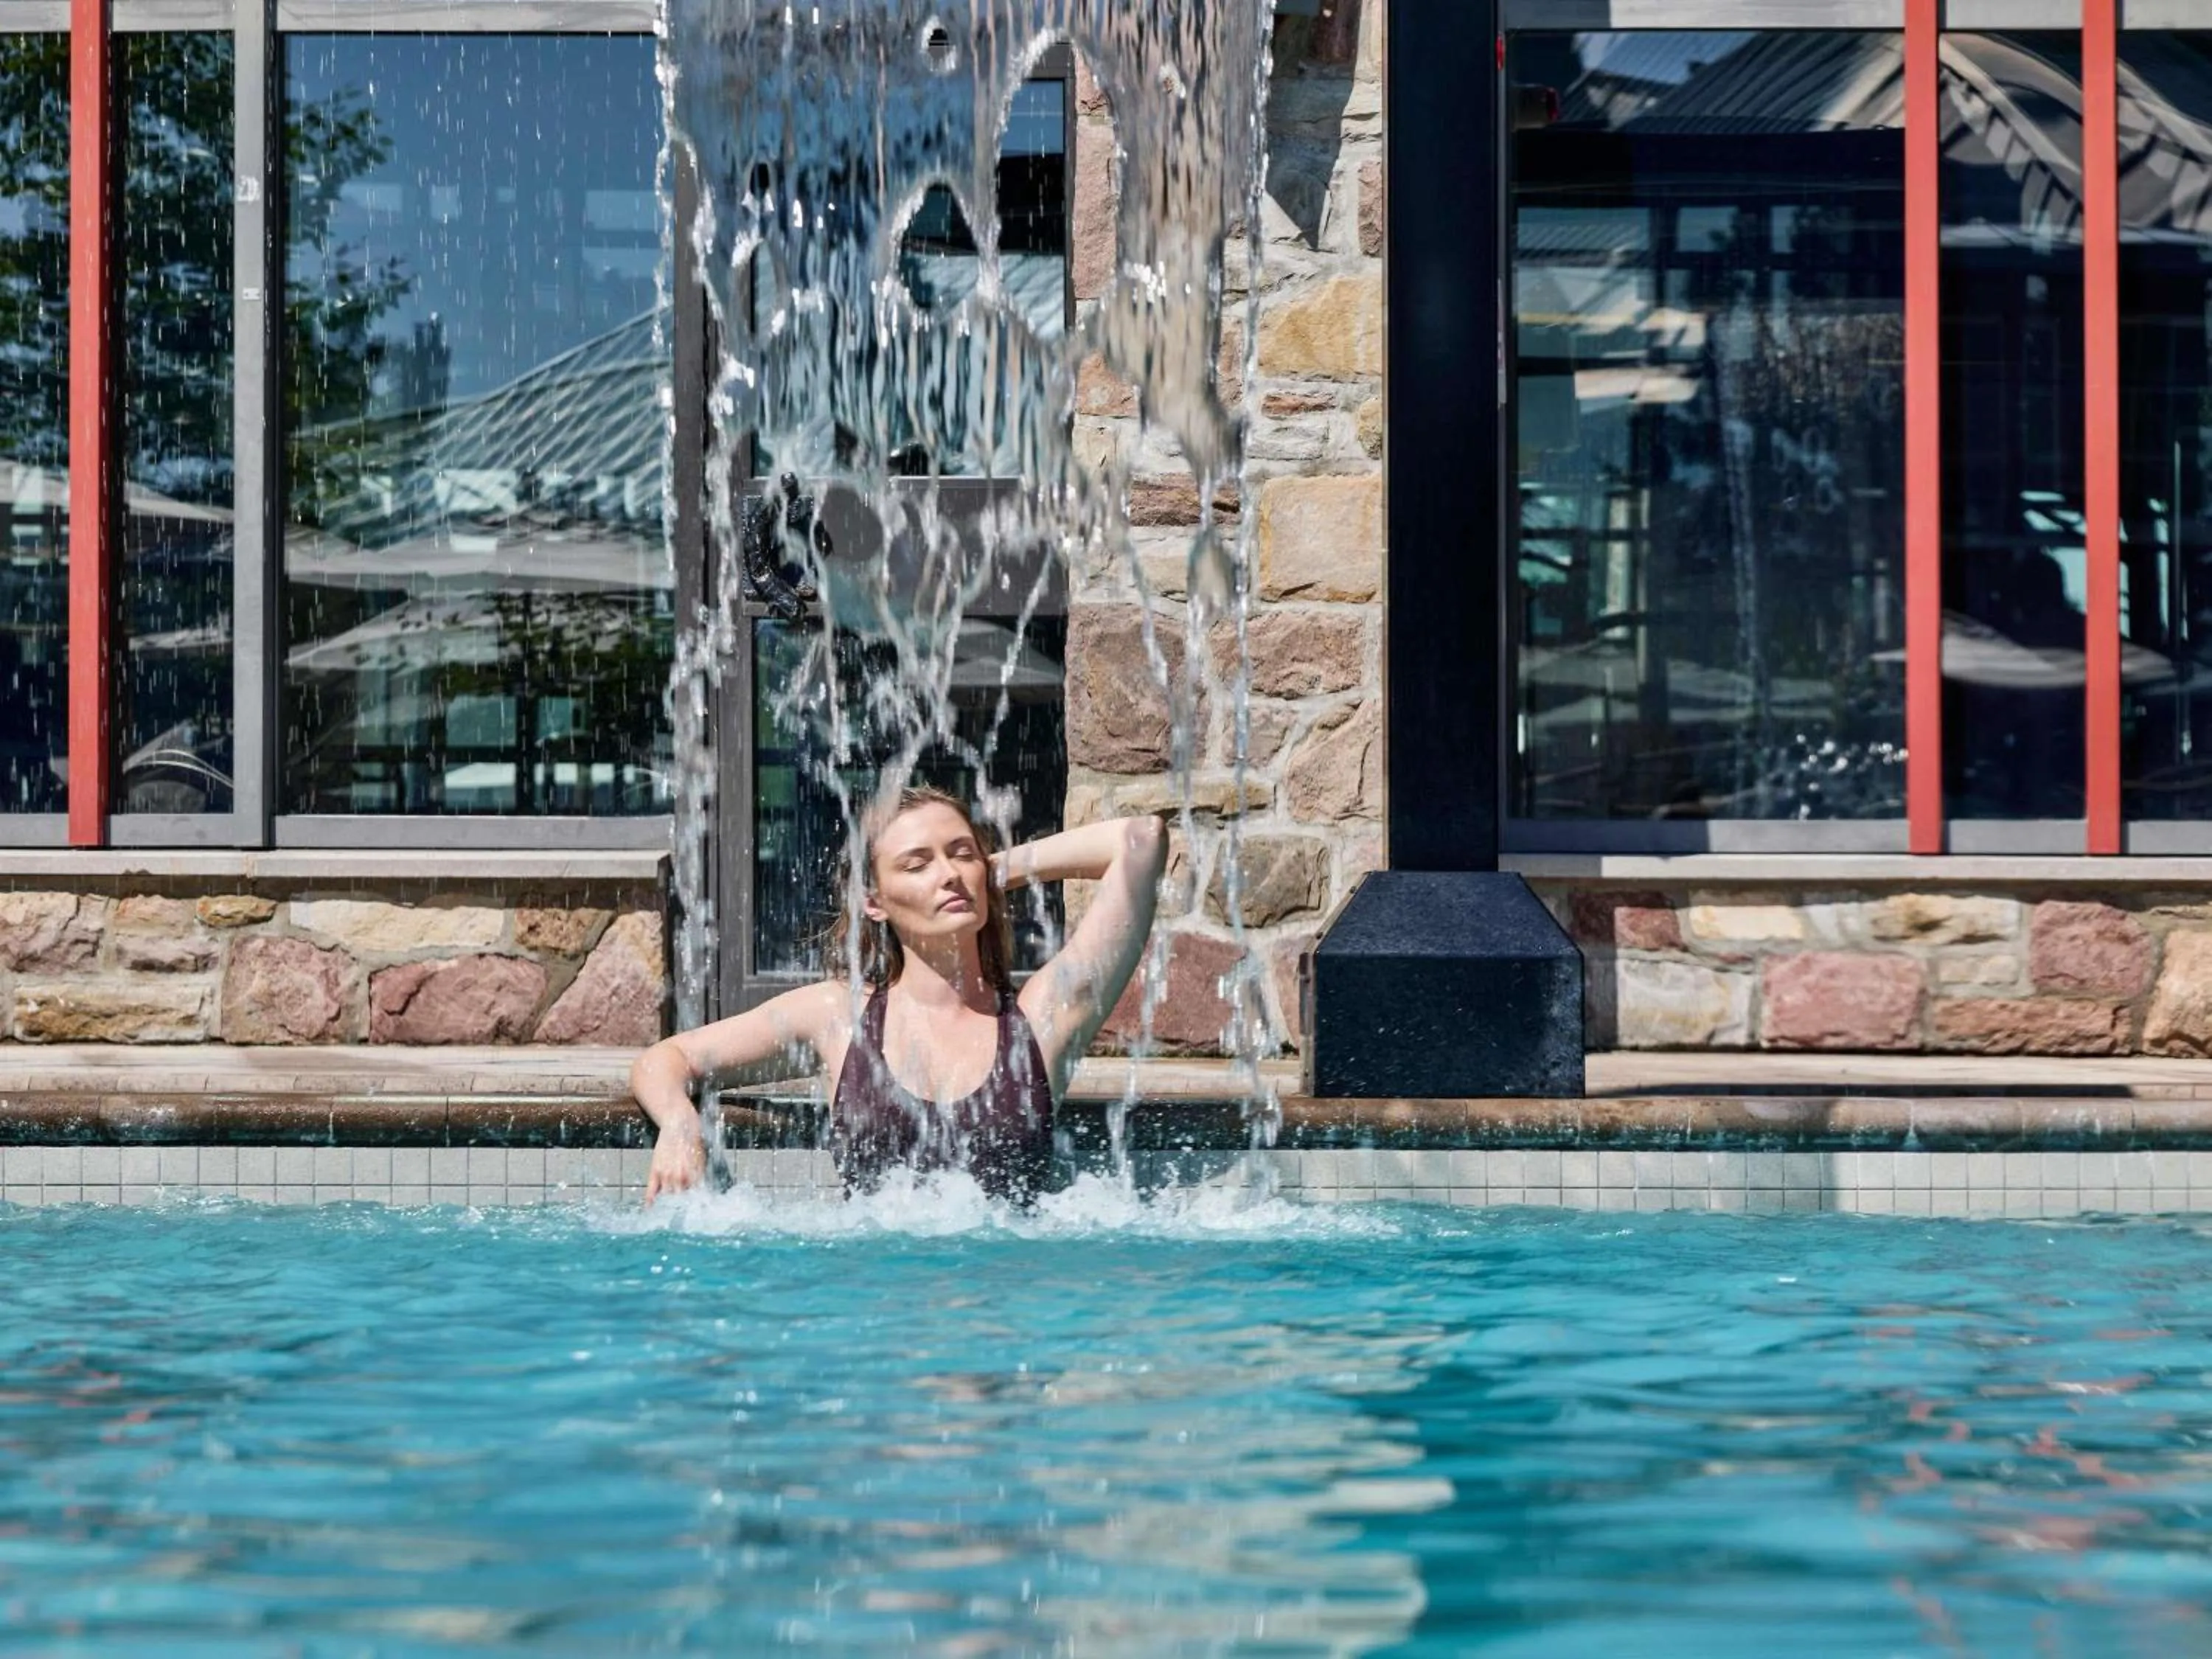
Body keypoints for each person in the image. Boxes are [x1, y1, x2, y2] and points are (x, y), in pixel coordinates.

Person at [631, 786, 1168, 1204]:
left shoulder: (1042, 1019)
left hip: (1002, 1311)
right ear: (875, 903)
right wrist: (681, 1125)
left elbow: (1140, 840)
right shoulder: (836, 1016)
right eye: (918, 864)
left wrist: (992, 870)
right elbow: (667, 1059)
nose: (949, 875)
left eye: (960, 854)